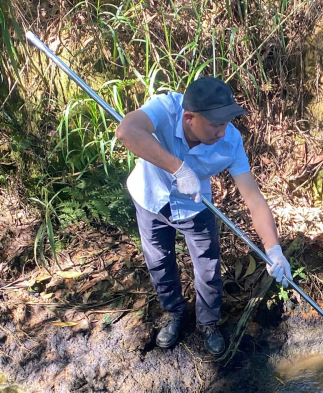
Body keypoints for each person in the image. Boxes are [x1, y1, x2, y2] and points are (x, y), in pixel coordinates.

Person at [115, 77, 292, 355]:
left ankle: (208, 322)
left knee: (208, 268)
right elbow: (126, 131)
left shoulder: (230, 141)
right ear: (189, 118)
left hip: (195, 206)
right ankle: (174, 313)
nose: (222, 131)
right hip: (151, 198)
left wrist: (274, 249)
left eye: (225, 122)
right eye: (215, 124)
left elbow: (254, 199)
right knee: (159, 263)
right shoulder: (167, 107)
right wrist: (179, 168)